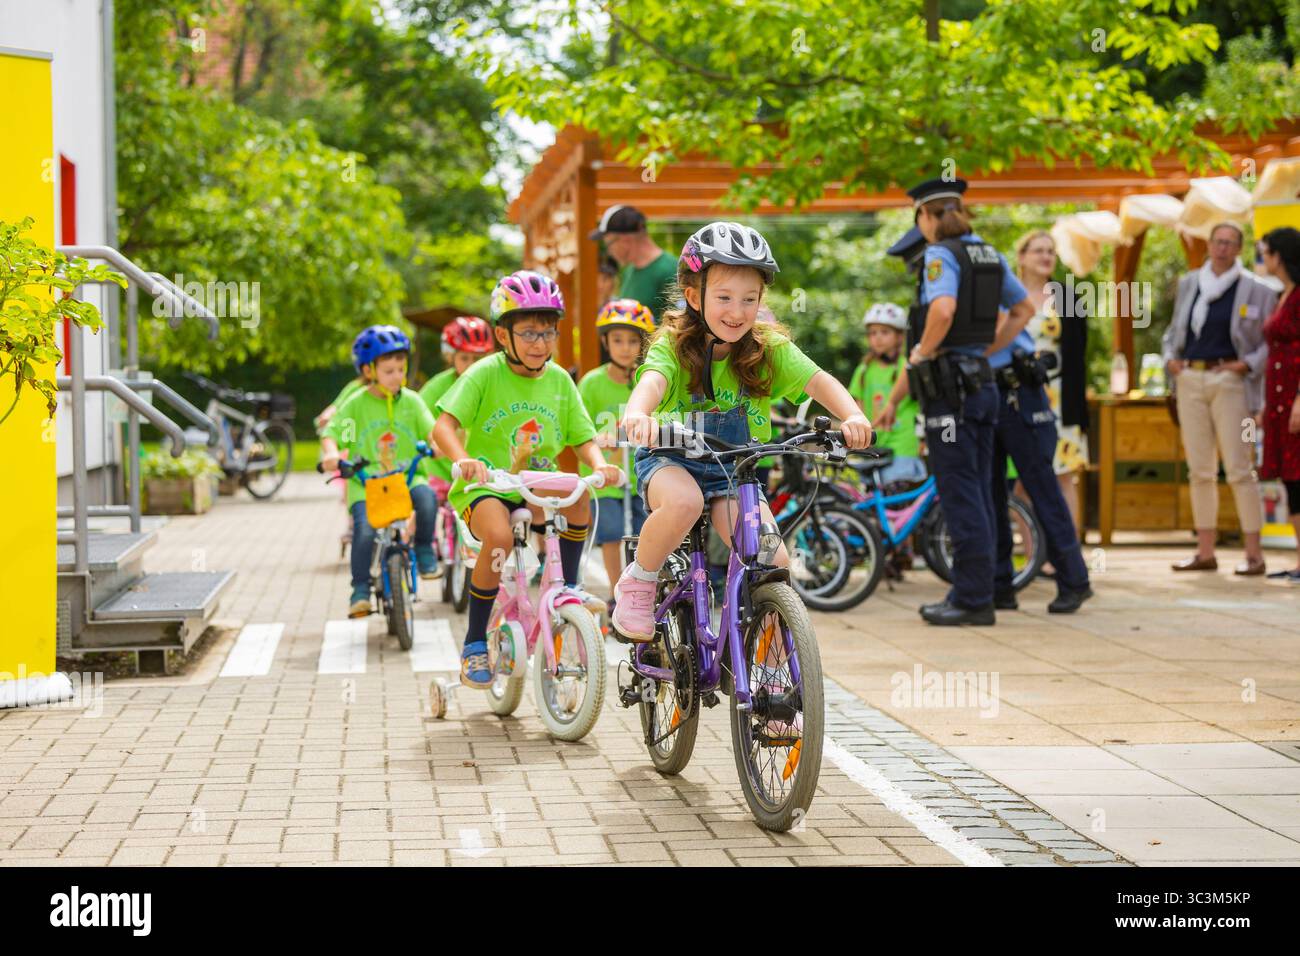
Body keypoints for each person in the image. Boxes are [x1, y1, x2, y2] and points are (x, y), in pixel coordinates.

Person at [613, 221, 874, 642]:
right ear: (695, 297)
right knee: (683, 502)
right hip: (669, 459)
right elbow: (653, 381)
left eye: (749, 299)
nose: (737, 311)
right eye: (724, 297)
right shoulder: (673, 344)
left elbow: (818, 380)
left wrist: (854, 417)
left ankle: (769, 671)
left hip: (735, 472)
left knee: (775, 562)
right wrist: (639, 413)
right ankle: (640, 580)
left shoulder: (767, 347)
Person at [431, 270, 622, 688]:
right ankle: (474, 643)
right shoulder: (484, 374)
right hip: (488, 485)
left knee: (576, 496)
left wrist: (597, 464)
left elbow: (583, 436)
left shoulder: (559, 380)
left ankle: (568, 587)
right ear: (504, 336)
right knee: (499, 538)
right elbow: (441, 428)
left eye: (549, 332)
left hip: (536, 481)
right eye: (530, 333)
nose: (541, 343)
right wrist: (464, 460)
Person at [883, 177, 1034, 626]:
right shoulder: (988, 252)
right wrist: (988, 348)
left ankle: (971, 599)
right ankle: (997, 587)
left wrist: (923, 352)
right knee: (987, 490)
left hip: (951, 392)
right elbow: (1023, 310)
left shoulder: (940, 255)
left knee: (961, 493)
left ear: (926, 218)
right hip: (983, 386)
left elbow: (943, 310)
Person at [1162, 222, 1277, 575]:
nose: (1222, 248)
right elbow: (1172, 332)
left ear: (1239, 249)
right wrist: (1171, 361)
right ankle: (1205, 551)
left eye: (1230, 243)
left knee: (1241, 467)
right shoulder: (1190, 283)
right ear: (1208, 245)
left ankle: (1253, 554)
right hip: (1191, 381)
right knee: (1200, 469)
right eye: (1217, 242)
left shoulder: (1258, 290)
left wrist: (1245, 365)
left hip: (1234, 387)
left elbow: (1269, 342)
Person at [320, 326, 441, 619]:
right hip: (367, 484)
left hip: (407, 478)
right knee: (363, 531)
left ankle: (424, 549)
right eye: (389, 371)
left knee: (427, 501)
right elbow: (333, 432)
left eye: (401, 369)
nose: (397, 376)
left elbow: (432, 430)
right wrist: (332, 454)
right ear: (369, 369)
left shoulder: (411, 402)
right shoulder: (357, 404)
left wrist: (438, 446)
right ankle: (360, 589)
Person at [578, 298, 656, 611]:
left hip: (643, 474)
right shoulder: (592, 383)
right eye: (618, 340)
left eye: (633, 341)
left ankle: (644, 590)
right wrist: (599, 439)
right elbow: (579, 429)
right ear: (605, 341)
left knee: (644, 533)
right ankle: (615, 594)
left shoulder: (650, 380)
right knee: (611, 533)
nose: (625, 348)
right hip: (608, 478)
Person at [1014, 231, 1090, 531]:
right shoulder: (1007, 296)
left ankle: (1066, 556)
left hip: (1061, 399)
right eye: (1038, 251)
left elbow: (1078, 355)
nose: (1046, 257)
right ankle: (1033, 554)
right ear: (1022, 257)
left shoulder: (1068, 296)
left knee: (1063, 476)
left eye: (1050, 251)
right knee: (1023, 478)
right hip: (1018, 398)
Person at [1258, 227, 1300, 582]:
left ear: (1279, 255)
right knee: (1290, 478)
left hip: (1295, 397)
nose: (1262, 260)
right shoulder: (1282, 295)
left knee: (1299, 474)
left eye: (1265, 253)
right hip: (1278, 398)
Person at [850, 302, 926, 486]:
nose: (878, 338)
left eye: (885, 332)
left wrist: (924, 439)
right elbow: (856, 407)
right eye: (873, 333)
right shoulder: (864, 370)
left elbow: (922, 406)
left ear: (900, 336)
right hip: (873, 444)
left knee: (898, 499)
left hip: (903, 444)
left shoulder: (907, 366)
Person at [418, 316, 494, 498]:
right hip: (440, 471)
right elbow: (419, 415)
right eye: (464, 358)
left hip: (482, 471)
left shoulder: (493, 384)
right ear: (450, 357)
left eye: (477, 358)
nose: (471, 365)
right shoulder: (437, 387)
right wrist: (432, 440)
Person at [590, 205, 678, 321]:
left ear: (625, 240)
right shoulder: (628, 271)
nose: (609, 252)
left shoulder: (669, 269)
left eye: (609, 244)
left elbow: (679, 323)